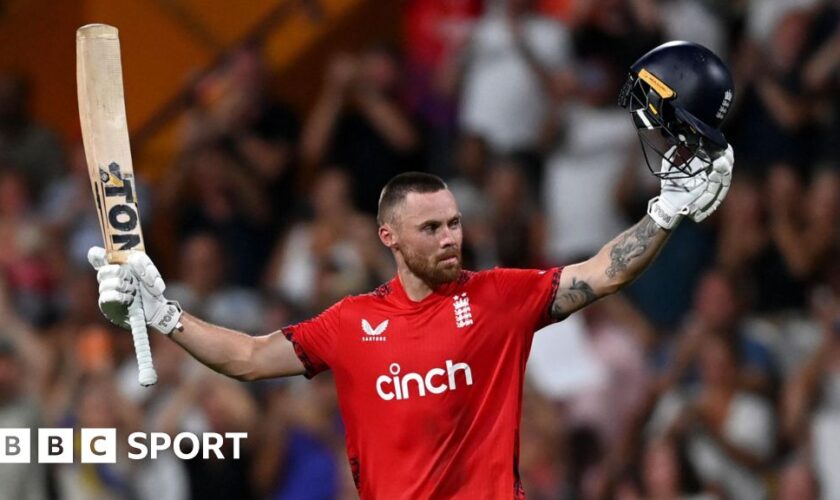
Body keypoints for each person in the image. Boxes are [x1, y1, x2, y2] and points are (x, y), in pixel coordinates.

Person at [88, 41, 735, 499]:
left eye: (454, 222)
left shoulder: (499, 298)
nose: (452, 237)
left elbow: (603, 273)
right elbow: (250, 358)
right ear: (389, 238)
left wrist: (668, 213)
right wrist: (163, 313)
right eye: (433, 228)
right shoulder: (351, 322)